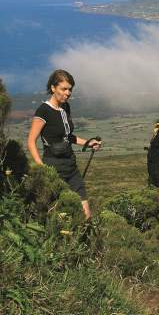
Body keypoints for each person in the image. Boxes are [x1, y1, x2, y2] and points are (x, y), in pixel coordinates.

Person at [27, 69, 102, 219]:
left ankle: (83, 240)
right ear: (53, 88)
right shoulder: (43, 111)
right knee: (58, 216)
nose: (68, 93)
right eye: (64, 89)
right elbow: (31, 141)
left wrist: (88, 143)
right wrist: (42, 168)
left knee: (86, 215)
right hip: (54, 169)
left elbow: (68, 136)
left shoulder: (65, 107)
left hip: (71, 168)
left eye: (70, 89)